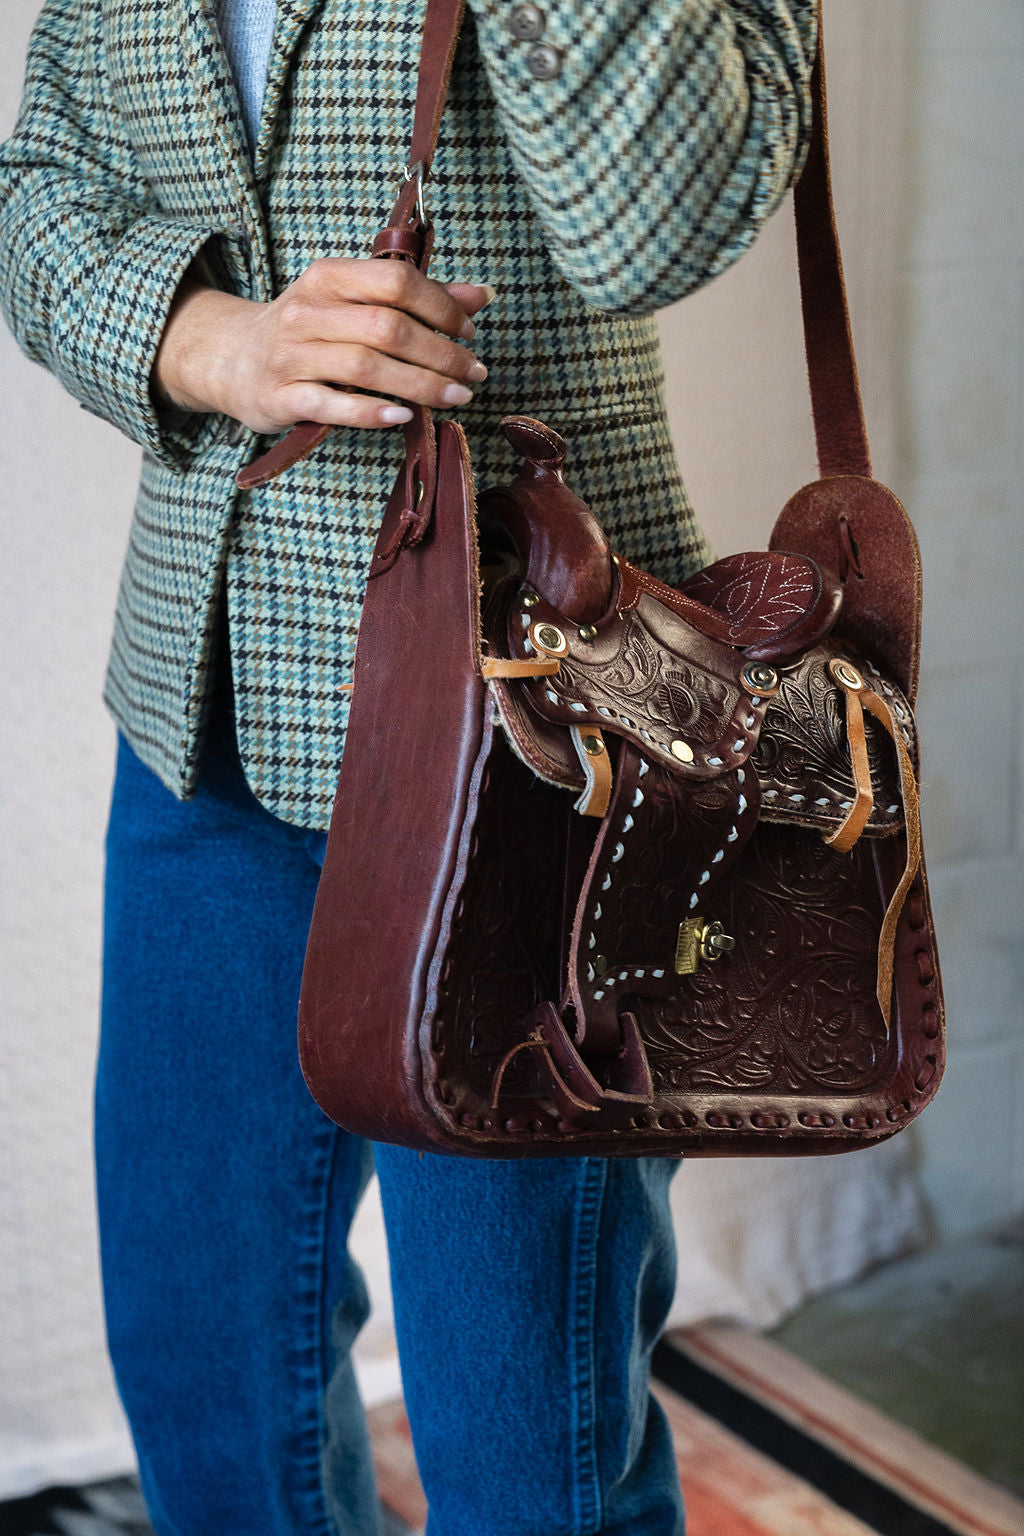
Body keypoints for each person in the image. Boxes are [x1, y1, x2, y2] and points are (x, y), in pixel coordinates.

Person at [0, 2, 816, 1533]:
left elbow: (662, 214)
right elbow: (37, 179)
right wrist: (206, 337)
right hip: (205, 722)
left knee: (528, 1449)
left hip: (535, 743)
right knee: (208, 1381)